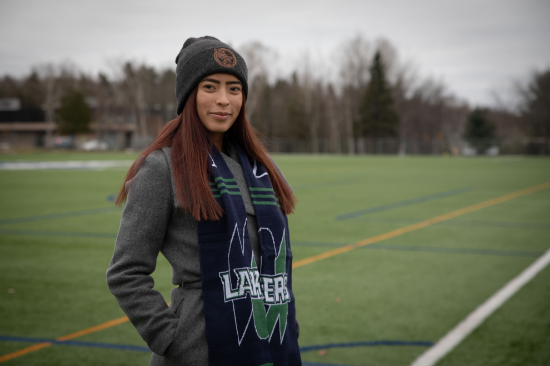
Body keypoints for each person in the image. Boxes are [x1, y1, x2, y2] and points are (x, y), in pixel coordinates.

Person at [106, 36, 302, 366]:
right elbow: (126, 273)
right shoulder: (162, 167)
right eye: (210, 87)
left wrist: (289, 330)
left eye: (234, 89)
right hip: (197, 353)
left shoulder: (261, 169)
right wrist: (173, 339)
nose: (223, 100)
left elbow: (276, 268)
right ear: (189, 94)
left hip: (270, 347)